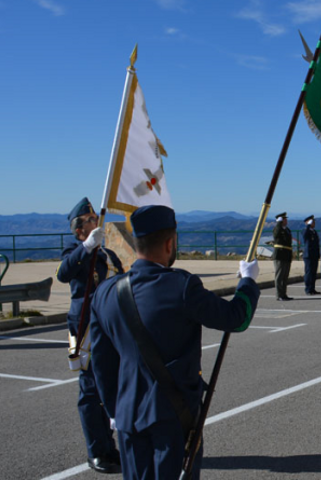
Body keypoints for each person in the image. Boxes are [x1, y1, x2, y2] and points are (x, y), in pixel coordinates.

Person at [89, 205, 260, 480]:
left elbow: (101, 364)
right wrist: (248, 282)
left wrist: (115, 412)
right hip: (173, 419)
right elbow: (236, 319)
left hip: (128, 418)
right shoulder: (181, 286)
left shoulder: (105, 293)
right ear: (170, 243)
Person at [56, 197, 124, 474]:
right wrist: (86, 247)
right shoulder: (75, 250)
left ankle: (110, 447)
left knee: (109, 387)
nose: (97, 224)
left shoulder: (108, 255)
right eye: (91, 221)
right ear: (79, 229)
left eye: (96, 219)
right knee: (91, 391)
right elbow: (63, 273)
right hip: (86, 329)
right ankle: (97, 450)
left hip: (111, 327)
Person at [271, 212, 293, 301]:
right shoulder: (277, 228)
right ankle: (279, 294)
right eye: (284, 219)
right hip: (279, 255)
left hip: (286, 255)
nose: (286, 220)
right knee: (279, 276)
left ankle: (284, 294)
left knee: (285, 276)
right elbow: (276, 235)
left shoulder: (287, 230)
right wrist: (278, 223)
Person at [301, 215, 320, 295]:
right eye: (312, 222)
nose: (313, 223)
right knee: (309, 272)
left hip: (314, 254)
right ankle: (308, 289)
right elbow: (304, 236)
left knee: (313, 272)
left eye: (314, 222)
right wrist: (308, 225)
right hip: (308, 255)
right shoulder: (305, 230)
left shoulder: (314, 231)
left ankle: (312, 288)